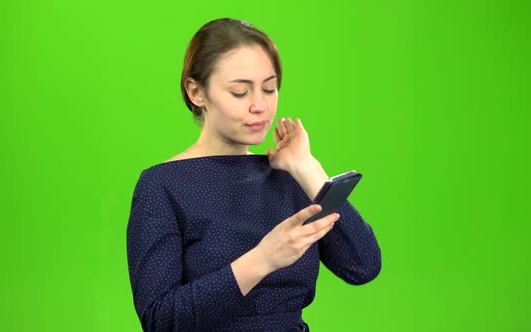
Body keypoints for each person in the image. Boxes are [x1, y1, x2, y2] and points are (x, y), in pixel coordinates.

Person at [127, 18, 381, 332]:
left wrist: (307, 168)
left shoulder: (288, 176)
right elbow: (160, 320)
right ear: (196, 92)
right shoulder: (162, 186)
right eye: (240, 92)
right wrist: (262, 260)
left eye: (270, 88)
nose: (260, 105)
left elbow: (363, 266)